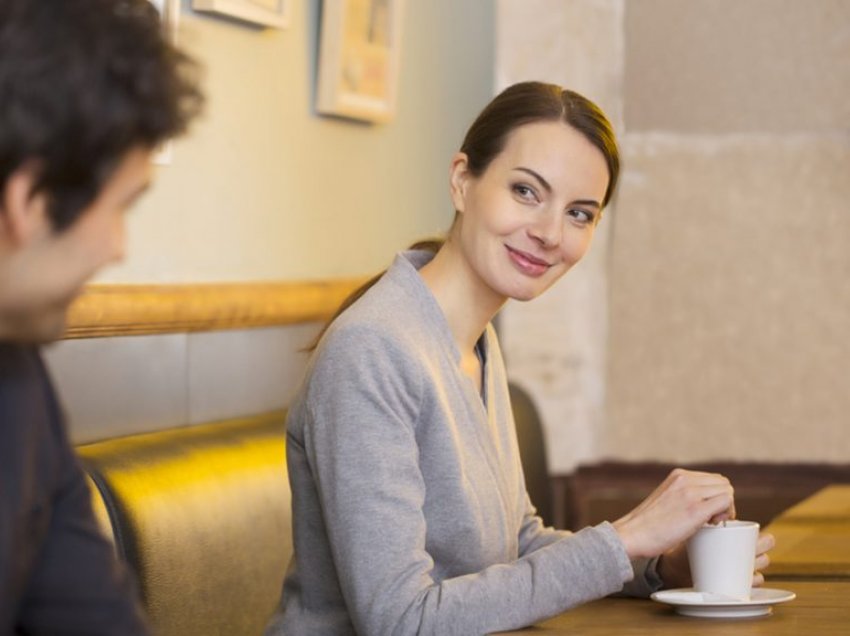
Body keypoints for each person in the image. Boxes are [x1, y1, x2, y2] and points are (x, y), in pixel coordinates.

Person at [264, 81, 773, 635]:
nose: (550, 233)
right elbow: (399, 621)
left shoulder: (474, 340)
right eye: (527, 192)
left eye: (580, 213)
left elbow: (517, 541)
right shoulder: (373, 349)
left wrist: (658, 564)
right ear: (463, 180)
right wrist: (624, 537)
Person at [0, 0, 203, 633]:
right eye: (120, 208)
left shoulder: (19, 377)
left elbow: (94, 615)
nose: (120, 247)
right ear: (29, 202)